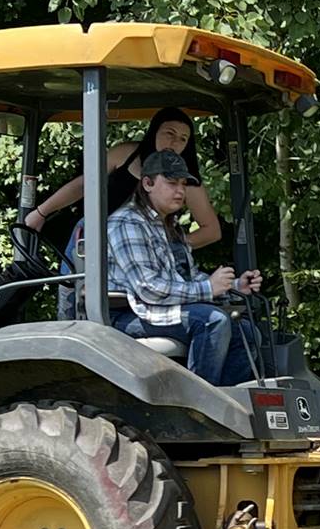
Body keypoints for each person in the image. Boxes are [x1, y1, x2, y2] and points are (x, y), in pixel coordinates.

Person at [105, 150, 261, 385]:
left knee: (249, 333)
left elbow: (186, 277)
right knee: (212, 321)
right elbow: (149, 288)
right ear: (147, 183)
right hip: (129, 314)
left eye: (183, 183)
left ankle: (227, 403)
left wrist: (235, 285)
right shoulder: (127, 223)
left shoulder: (169, 225)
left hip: (158, 309)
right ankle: (200, 408)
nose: (180, 191)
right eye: (171, 183)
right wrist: (209, 288)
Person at [25, 106, 216, 242]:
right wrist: (41, 212)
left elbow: (211, 231)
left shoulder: (186, 179)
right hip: (92, 239)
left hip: (138, 251)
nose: (175, 142)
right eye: (169, 134)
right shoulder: (125, 153)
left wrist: (169, 245)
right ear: (154, 132)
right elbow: (85, 185)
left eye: (183, 139)